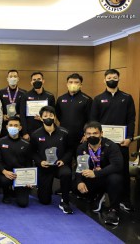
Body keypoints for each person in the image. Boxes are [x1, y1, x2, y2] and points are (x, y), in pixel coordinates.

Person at [90, 69, 136, 212]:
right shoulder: (98, 99)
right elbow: (93, 120)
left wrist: (129, 138)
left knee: (122, 171)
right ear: (104, 80)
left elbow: (131, 120)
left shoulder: (127, 98)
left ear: (119, 79)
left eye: (114, 77)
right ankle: (100, 195)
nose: (112, 79)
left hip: (121, 143)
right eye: (109, 77)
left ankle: (125, 200)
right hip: (102, 143)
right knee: (101, 169)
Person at [74, 121, 123, 226]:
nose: (92, 136)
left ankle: (114, 210)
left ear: (101, 133)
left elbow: (117, 165)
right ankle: (98, 195)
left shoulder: (111, 146)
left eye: (95, 133)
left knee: (115, 178)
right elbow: (79, 167)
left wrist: (97, 173)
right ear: (85, 135)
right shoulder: (81, 148)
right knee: (75, 187)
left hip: (107, 177)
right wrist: (79, 182)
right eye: (89, 134)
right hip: (91, 177)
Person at [30, 106, 73, 214]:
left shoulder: (64, 132)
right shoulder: (35, 134)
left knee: (66, 173)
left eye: (51, 115)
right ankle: (43, 191)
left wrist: (63, 160)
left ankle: (65, 200)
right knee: (44, 201)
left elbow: (70, 150)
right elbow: (32, 152)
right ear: (41, 118)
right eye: (45, 116)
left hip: (60, 165)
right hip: (45, 167)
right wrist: (40, 162)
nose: (48, 118)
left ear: (54, 117)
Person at [0, 117, 32, 207]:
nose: (13, 127)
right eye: (11, 125)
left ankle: (17, 191)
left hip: (21, 176)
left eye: (16, 125)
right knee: (3, 180)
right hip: (6, 174)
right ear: (7, 127)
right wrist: (4, 171)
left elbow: (29, 163)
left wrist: (29, 179)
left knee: (23, 204)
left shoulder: (26, 144)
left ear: (20, 128)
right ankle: (6, 193)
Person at [55, 73, 92, 161]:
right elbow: (59, 115)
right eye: (70, 82)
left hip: (80, 138)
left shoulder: (87, 99)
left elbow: (90, 119)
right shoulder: (61, 99)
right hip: (64, 137)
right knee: (65, 162)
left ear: (81, 85)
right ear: (67, 84)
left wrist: (86, 134)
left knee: (81, 162)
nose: (73, 84)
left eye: (76, 82)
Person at [20, 72, 55, 140]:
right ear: (31, 82)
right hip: (30, 131)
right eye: (34, 79)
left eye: (39, 79)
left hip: (45, 129)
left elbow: (53, 115)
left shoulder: (50, 96)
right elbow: (22, 115)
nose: (37, 81)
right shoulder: (25, 96)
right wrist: (24, 132)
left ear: (43, 81)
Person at [0, 70, 26, 137]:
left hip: (18, 125)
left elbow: (25, 109)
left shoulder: (24, 93)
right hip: (5, 125)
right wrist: (2, 116)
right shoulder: (0, 93)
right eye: (10, 76)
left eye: (15, 76)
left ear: (18, 79)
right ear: (7, 79)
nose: (13, 78)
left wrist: (20, 115)